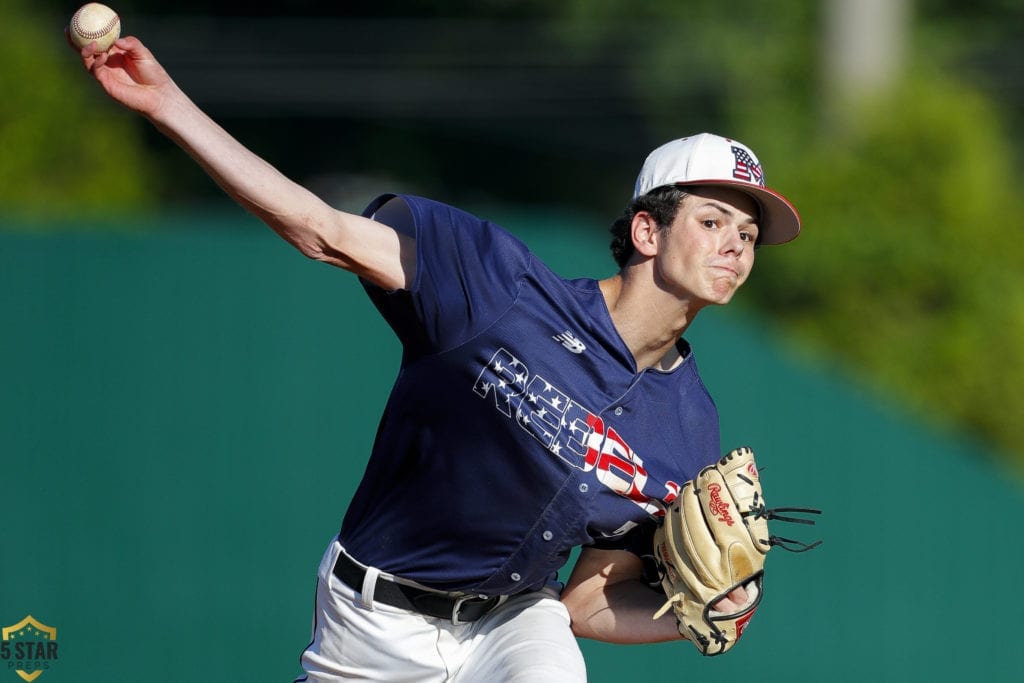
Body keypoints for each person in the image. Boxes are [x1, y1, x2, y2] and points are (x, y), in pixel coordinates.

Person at [71, 32, 801, 683]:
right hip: (374, 624)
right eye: (712, 221)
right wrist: (168, 105)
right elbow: (323, 229)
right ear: (647, 231)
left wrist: (698, 616)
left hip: (514, 621)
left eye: (747, 233)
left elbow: (583, 604)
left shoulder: (688, 426)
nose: (737, 243)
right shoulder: (499, 290)